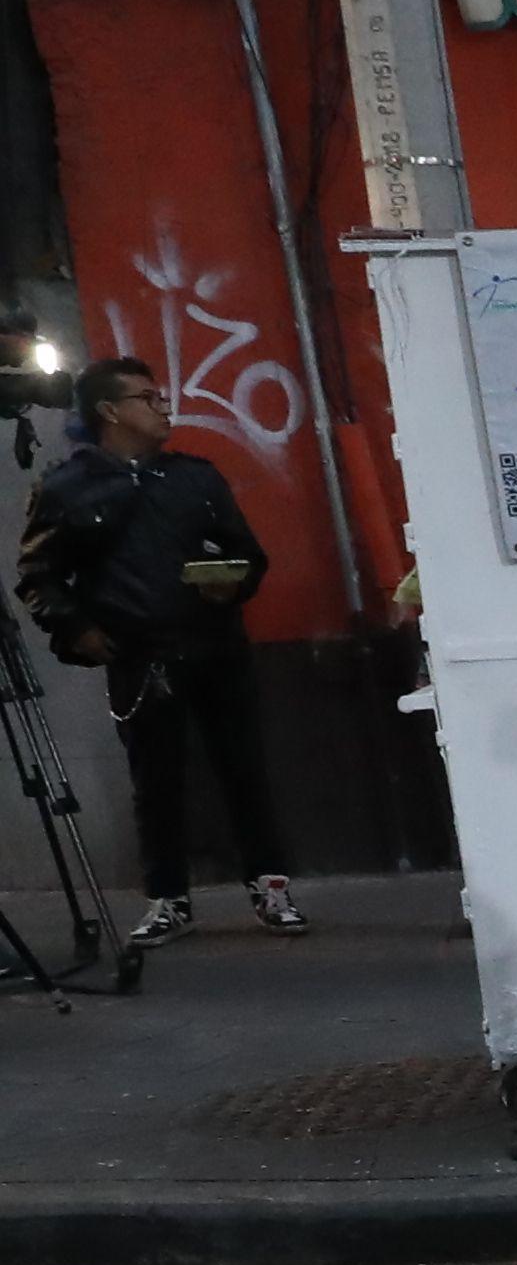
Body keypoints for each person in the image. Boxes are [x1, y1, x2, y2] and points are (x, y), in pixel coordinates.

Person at [14, 357, 299, 941]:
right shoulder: (67, 488)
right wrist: (77, 629)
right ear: (110, 411)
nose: (163, 407)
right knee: (157, 781)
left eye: (162, 396)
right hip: (141, 656)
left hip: (216, 645)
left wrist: (234, 580)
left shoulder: (196, 477)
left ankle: (271, 888)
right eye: (147, 398)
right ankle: (168, 898)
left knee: (245, 770)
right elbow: (38, 575)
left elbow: (249, 552)